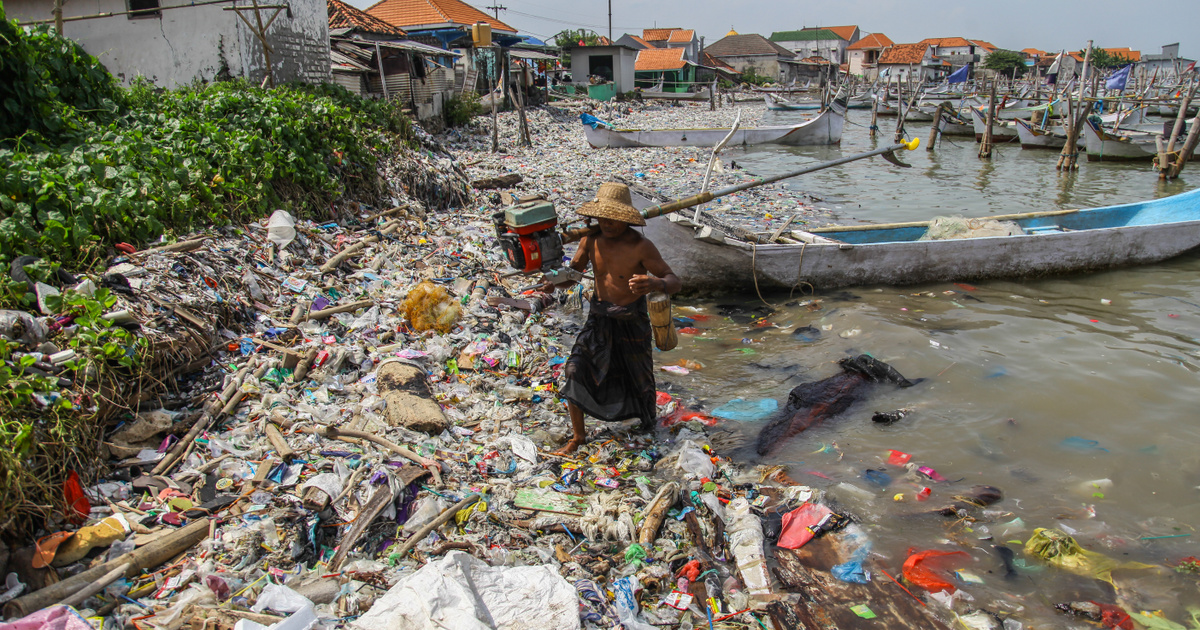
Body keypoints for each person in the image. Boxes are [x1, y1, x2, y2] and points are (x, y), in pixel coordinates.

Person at [545, 182, 681, 455]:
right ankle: (578, 437)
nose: (607, 223)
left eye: (614, 218)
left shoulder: (641, 246)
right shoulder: (590, 240)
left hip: (633, 321)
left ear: (625, 218)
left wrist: (653, 283)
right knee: (574, 369)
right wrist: (551, 282)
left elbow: (674, 281)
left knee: (640, 381)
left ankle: (648, 427)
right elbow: (572, 275)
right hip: (599, 319)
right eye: (603, 217)